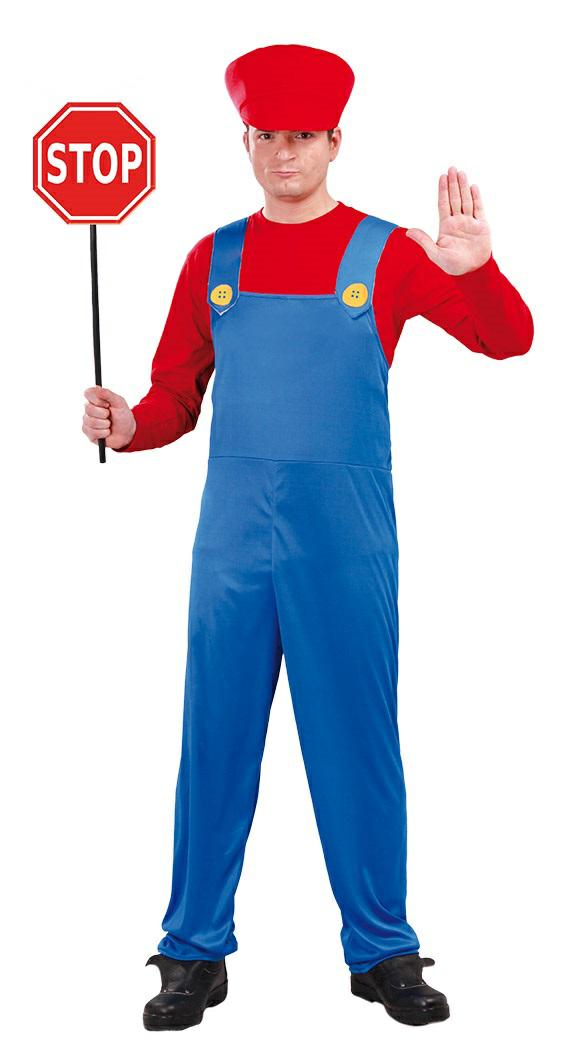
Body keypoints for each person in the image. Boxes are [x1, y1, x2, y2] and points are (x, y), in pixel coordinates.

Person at [82, 44, 533, 1030]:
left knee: (357, 743)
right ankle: (191, 949)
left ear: (335, 141)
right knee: (213, 741)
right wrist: (128, 421)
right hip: (231, 549)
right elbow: (172, 398)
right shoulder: (213, 259)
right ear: (245, 141)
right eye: (266, 136)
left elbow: (508, 340)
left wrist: (478, 270)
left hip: (346, 546)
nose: (283, 153)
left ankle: (383, 948)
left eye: (302, 136)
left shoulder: (391, 252)